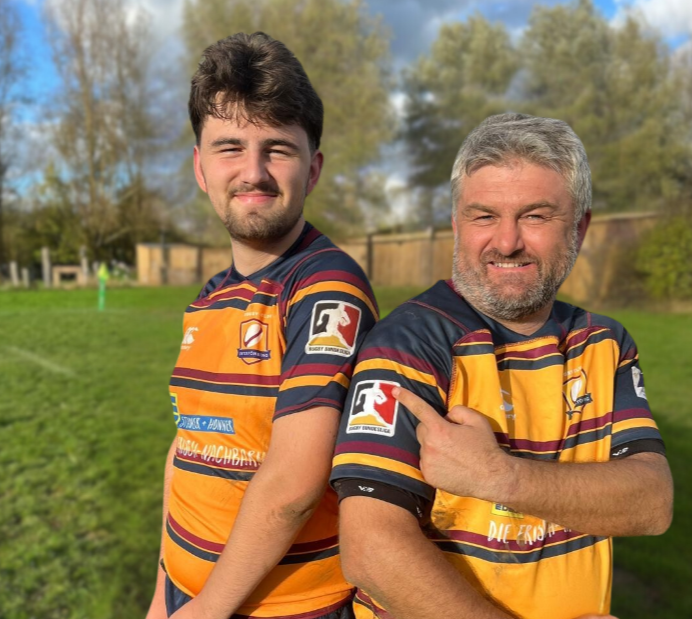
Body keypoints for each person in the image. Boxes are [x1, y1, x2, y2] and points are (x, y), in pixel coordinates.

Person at [330, 113, 673, 619]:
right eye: (484, 216)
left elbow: (651, 503)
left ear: (580, 227)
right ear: (457, 224)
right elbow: (371, 550)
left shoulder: (604, 343)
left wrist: (500, 477)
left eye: (535, 216)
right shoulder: (411, 343)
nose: (507, 242)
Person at [145, 32, 378, 619]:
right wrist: (165, 586)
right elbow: (187, 446)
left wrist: (208, 607)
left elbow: (294, 486)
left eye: (277, 149)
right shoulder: (211, 296)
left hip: (282, 607)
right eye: (230, 147)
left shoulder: (325, 287)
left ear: (312, 168)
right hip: (188, 595)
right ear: (200, 168)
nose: (253, 172)